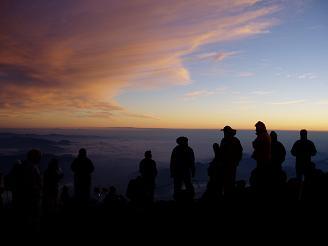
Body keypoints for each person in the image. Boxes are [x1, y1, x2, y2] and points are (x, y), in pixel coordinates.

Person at [220, 126, 243, 197]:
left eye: (225, 132)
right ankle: (229, 193)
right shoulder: (232, 140)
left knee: (229, 180)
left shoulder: (228, 140)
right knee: (229, 179)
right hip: (229, 164)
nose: (224, 133)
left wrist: (236, 161)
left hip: (230, 164)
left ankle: (229, 194)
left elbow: (239, 151)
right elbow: (240, 151)